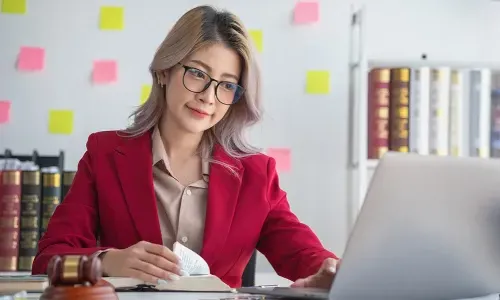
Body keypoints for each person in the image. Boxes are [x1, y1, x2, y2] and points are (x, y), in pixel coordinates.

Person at [31, 5, 339, 289]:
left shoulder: (256, 173)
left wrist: (330, 272)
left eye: (227, 85)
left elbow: (303, 254)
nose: (208, 96)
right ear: (165, 71)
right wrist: (108, 261)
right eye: (198, 74)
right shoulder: (105, 154)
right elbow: (48, 261)